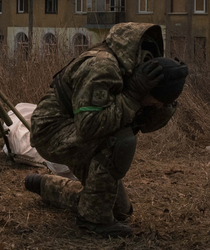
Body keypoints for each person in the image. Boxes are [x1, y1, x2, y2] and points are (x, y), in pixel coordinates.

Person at [24, 23, 188, 237]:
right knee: (121, 140)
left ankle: (46, 186)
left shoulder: (136, 68)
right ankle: (93, 221)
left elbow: (144, 124)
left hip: (77, 129)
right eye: (155, 101)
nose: (155, 106)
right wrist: (132, 96)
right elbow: (89, 125)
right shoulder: (102, 66)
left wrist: (159, 102)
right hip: (52, 131)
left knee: (121, 212)